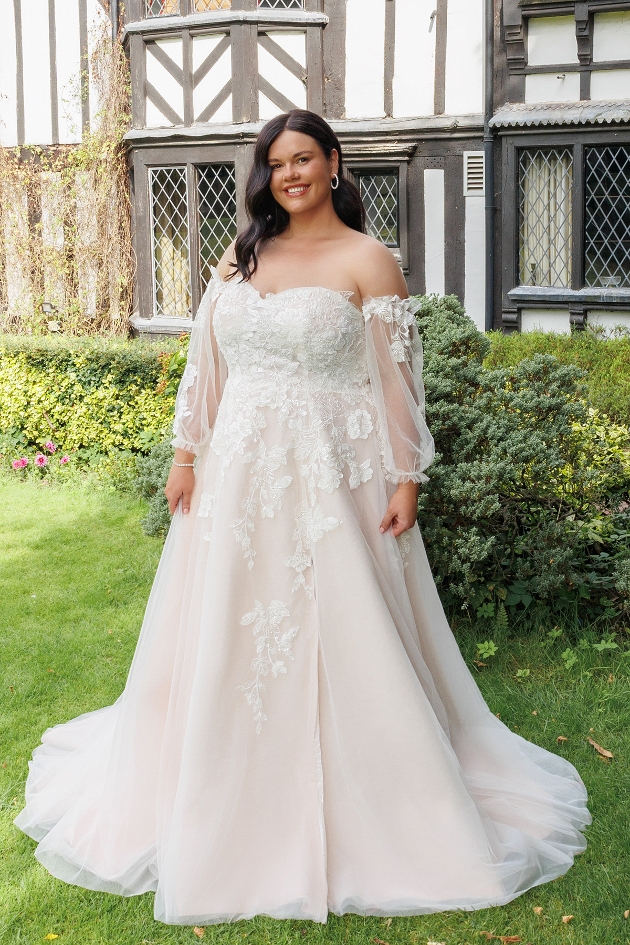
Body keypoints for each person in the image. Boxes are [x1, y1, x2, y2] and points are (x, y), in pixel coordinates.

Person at [15, 109, 590, 926]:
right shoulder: (243, 254)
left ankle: (376, 786)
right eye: (276, 163)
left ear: (333, 162)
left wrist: (406, 478)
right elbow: (206, 362)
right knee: (223, 624)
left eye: (304, 159)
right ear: (266, 175)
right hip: (236, 474)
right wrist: (186, 454)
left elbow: (396, 383)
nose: (289, 175)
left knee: (343, 620)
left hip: (333, 472)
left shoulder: (369, 260)